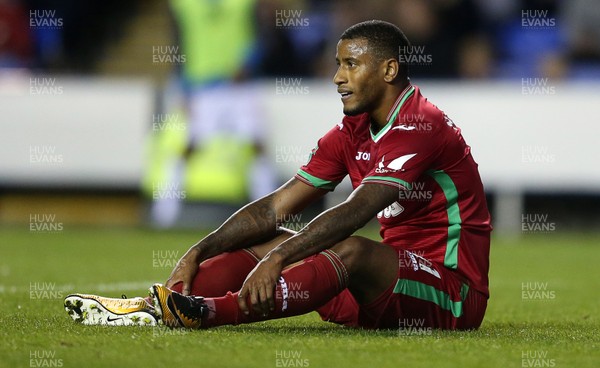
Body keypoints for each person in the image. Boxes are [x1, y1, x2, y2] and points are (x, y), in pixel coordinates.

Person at [65, 20, 491, 331]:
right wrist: (200, 250)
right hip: (380, 293)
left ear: (389, 70)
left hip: (451, 294)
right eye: (337, 64)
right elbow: (274, 207)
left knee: (351, 250)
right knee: (268, 237)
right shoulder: (351, 131)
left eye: (351, 65)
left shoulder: (421, 125)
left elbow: (359, 208)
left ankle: (208, 314)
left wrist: (280, 259)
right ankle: (156, 305)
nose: (338, 77)